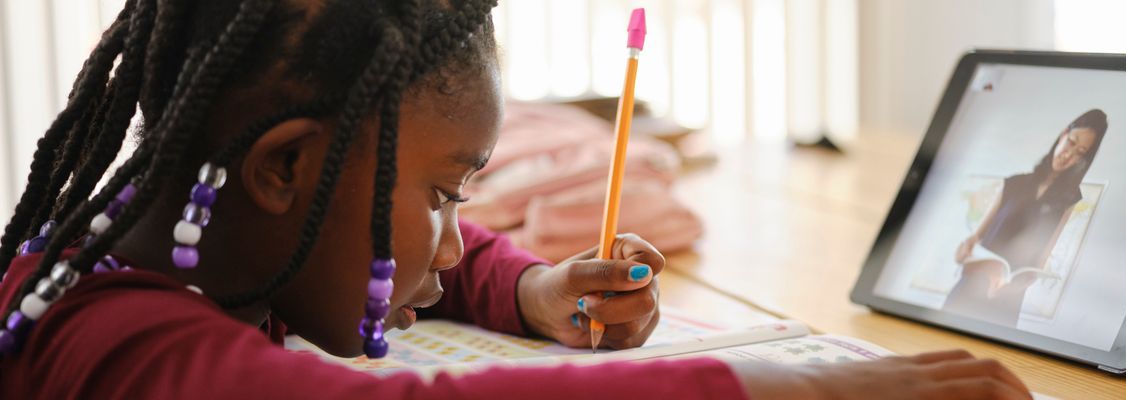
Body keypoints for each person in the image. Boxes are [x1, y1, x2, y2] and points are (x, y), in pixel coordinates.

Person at [0, 0, 1031, 398]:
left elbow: (398, 246)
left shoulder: (192, 226)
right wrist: (789, 387)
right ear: (283, 169)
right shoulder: (111, 342)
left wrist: (530, 286)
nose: (455, 246)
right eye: (446, 194)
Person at [945, 109, 1109, 326]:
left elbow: (1040, 261)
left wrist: (1012, 287)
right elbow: (972, 242)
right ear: (1063, 135)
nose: (1068, 155)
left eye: (1080, 152)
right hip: (969, 289)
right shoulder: (1013, 183)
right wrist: (963, 252)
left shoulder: (1069, 200)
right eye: (1071, 142)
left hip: (1007, 300)